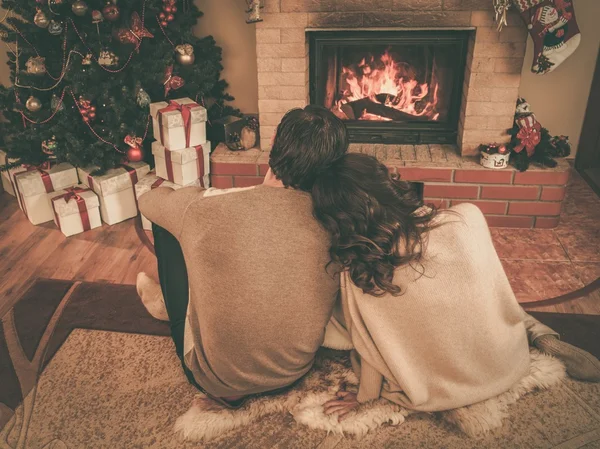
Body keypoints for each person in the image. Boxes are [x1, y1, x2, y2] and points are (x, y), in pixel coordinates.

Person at [315, 153, 600, 419]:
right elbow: (497, 293)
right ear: (388, 184)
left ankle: (529, 335)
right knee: (492, 301)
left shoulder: (366, 272)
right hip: (505, 360)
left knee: (350, 325)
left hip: (440, 386)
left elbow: (370, 346)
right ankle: (538, 336)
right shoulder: (466, 217)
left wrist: (364, 397)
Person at [136, 106, 348, 408]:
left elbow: (148, 201)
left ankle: (169, 307)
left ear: (273, 142)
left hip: (218, 382)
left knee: (170, 226)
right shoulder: (339, 224)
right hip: (292, 373)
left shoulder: (208, 206)